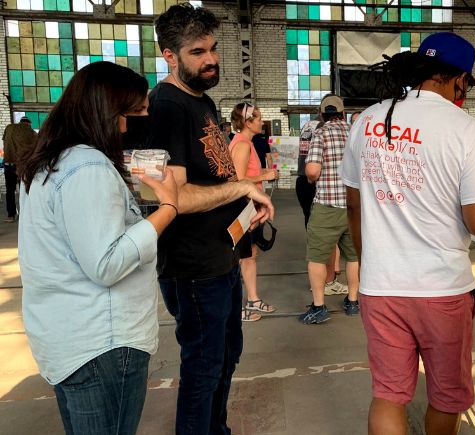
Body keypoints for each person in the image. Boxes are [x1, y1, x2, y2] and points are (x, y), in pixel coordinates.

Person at [341, 32, 475, 434]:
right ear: (459, 78)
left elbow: (355, 204)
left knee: (389, 395)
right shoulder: (468, 132)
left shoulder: (369, 120)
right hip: (441, 289)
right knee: (446, 396)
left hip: (381, 287)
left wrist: (370, 258)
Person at [17, 61, 178, 435]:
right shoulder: (87, 166)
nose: (133, 124)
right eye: (134, 112)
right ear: (107, 112)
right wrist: (168, 208)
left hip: (68, 336)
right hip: (102, 345)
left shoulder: (50, 163)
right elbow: (106, 263)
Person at [147, 4, 274, 434]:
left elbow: (213, 178)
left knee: (226, 358)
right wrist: (243, 187)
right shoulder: (167, 107)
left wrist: (246, 206)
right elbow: (175, 198)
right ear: (169, 55)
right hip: (194, 267)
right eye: (198, 52)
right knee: (203, 371)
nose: (212, 59)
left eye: (214, 48)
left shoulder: (200, 102)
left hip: (221, 258)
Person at [300, 94, 360, 324]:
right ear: (343, 113)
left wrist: (312, 176)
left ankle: (318, 307)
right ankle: (352, 301)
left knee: (316, 257)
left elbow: (313, 170)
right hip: (354, 207)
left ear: (321, 114)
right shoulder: (356, 132)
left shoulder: (321, 133)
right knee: (353, 257)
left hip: (328, 205)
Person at [229, 102, 279, 321]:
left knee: (250, 256)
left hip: (250, 208)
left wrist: (261, 172)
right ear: (248, 122)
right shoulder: (242, 145)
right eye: (257, 118)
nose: (261, 121)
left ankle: (253, 300)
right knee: (242, 258)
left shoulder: (245, 143)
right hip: (244, 208)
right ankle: (242, 307)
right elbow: (238, 181)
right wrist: (263, 177)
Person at [296, 114, 348, 295]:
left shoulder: (309, 127)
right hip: (320, 185)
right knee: (328, 236)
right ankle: (328, 280)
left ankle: (326, 280)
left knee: (318, 235)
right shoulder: (327, 130)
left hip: (303, 182)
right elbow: (314, 170)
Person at [2, 116, 37, 222]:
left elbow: (5, 144)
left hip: (9, 164)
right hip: (23, 166)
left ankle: (11, 215)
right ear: (29, 124)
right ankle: (26, 216)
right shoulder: (32, 133)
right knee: (26, 191)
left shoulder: (9, 127)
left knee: (10, 191)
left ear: (20, 122)